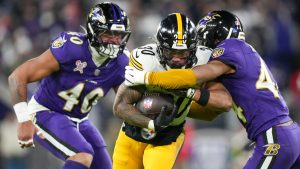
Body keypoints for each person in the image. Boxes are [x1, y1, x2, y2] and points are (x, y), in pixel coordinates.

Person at [125, 10, 300, 169]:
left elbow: (194, 76)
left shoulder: (231, 47)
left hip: (273, 136)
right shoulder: (245, 53)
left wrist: (148, 78)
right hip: (288, 132)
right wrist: (189, 93)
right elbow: (223, 102)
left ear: (215, 36)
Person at [8, 2, 131, 169]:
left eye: (119, 35)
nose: (115, 41)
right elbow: (17, 77)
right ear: (94, 31)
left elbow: (126, 102)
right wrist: (23, 119)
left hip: (80, 120)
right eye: (109, 34)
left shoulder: (121, 62)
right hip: (46, 112)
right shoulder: (71, 47)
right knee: (82, 155)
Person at [112, 13, 232, 169]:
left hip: (168, 136)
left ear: (194, 50)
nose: (176, 59)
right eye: (171, 52)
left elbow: (224, 102)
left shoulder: (205, 59)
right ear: (160, 48)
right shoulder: (146, 59)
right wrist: (152, 123)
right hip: (133, 131)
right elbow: (119, 106)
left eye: (183, 54)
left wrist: (191, 93)